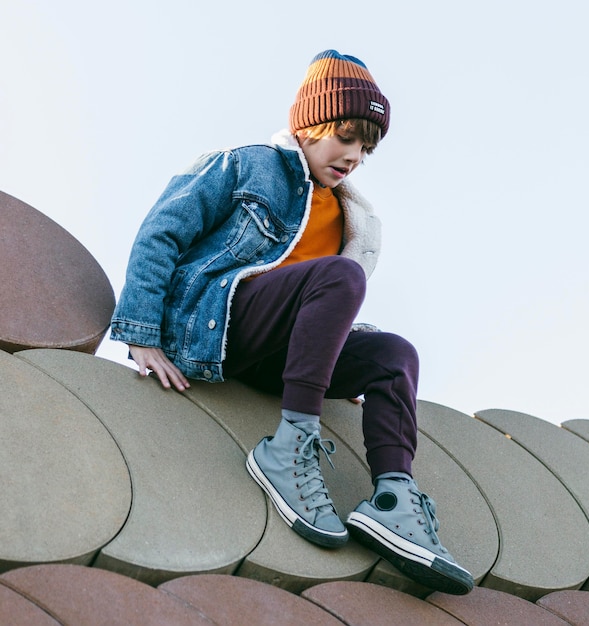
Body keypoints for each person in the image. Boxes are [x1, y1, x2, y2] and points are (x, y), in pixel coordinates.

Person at [110, 49, 473, 595]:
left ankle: (394, 500)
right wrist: (141, 334)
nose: (353, 156)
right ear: (310, 122)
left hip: (277, 357)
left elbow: (319, 304)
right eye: (346, 136)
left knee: (395, 354)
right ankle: (290, 444)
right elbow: (161, 231)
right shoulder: (247, 163)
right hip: (215, 327)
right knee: (341, 279)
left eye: (366, 149)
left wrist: (329, 359)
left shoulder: (356, 218)